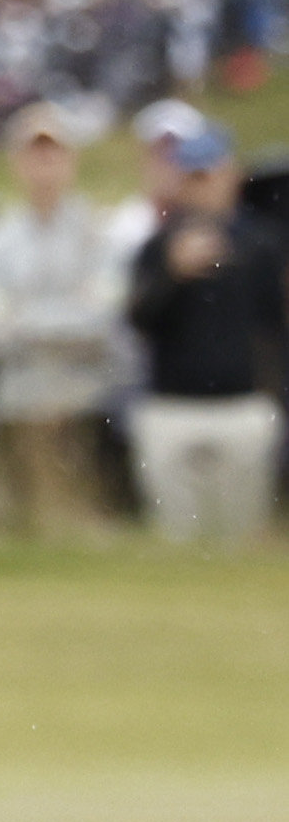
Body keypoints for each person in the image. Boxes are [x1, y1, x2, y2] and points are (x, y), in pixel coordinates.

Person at [0, 103, 128, 535]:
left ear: (71, 160)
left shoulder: (103, 236)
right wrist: (68, 314)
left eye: (53, 153)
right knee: (27, 534)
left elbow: (104, 323)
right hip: (16, 410)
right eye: (33, 153)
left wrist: (22, 317)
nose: (43, 165)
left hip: (88, 409)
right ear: (16, 162)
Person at [125, 123, 281, 543]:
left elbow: (276, 327)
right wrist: (172, 275)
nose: (202, 188)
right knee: (180, 539)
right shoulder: (157, 247)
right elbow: (136, 322)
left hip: (242, 405)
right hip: (170, 408)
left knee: (240, 538)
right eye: (193, 177)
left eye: (209, 174)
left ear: (230, 175)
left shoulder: (260, 245)